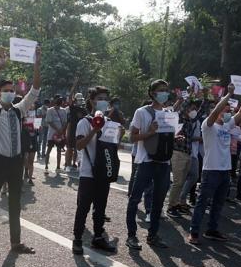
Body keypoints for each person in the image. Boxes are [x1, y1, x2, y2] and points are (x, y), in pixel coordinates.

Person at [0, 46, 41, 259]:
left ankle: (16, 242)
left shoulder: (18, 110)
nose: (11, 92)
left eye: (13, 90)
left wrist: (37, 63)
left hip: (16, 164)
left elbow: (35, 91)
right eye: (6, 90)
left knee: (15, 204)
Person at [187, 84, 241, 244]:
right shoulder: (208, 126)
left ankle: (212, 230)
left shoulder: (228, 125)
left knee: (218, 203)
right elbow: (216, 111)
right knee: (203, 202)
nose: (228, 113)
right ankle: (194, 232)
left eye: (229, 111)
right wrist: (228, 95)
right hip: (211, 170)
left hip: (225, 171)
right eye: (226, 110)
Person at [125, 79, 175, 250]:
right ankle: (131, 236)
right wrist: (150, 132)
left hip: (163, 162)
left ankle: (153, 235)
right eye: (161, 90)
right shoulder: (142, 112)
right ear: (152, 93)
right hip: (146, 161)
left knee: (159, 201)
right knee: (135, 199)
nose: (164, 93)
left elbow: (167, 135)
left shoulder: (169, 112)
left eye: (166, 90)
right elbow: (132, 137)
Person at [72, 95, 120, 255]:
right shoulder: (84, 122)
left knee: (100, 208)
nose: (104, 102)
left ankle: (98, 237)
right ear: (92, 101)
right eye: (100, 98)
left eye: (106, 99)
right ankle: (77, 239)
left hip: (103, 171)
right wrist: (94, 129)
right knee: (83, 208)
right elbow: (79, 145)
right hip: (88, 172)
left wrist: (118, 135)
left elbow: (112, 148)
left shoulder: (110, 123)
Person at [167, 100, 201, 217]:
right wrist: (190, 94)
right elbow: (180, 109)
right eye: (191, 109)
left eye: (194, 109)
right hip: (178, 153)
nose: (194, 111)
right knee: (177, 182)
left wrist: (205, 98)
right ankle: (171, 206)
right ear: (186, 109)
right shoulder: (180, 118)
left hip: (187, 153)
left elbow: (201, 113)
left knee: (181, 182)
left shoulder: (190, 121)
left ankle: (177, 204)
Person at [44, 96, 67, 173]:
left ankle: (58, 166)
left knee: (59, 150)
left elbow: (65, 122)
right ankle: (46, 166)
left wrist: (61, 130)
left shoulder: (63, 111)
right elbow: (49, 121)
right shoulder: (50, 110)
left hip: (59, 134)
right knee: (49, 149)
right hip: (52, 134)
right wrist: (58, 130)